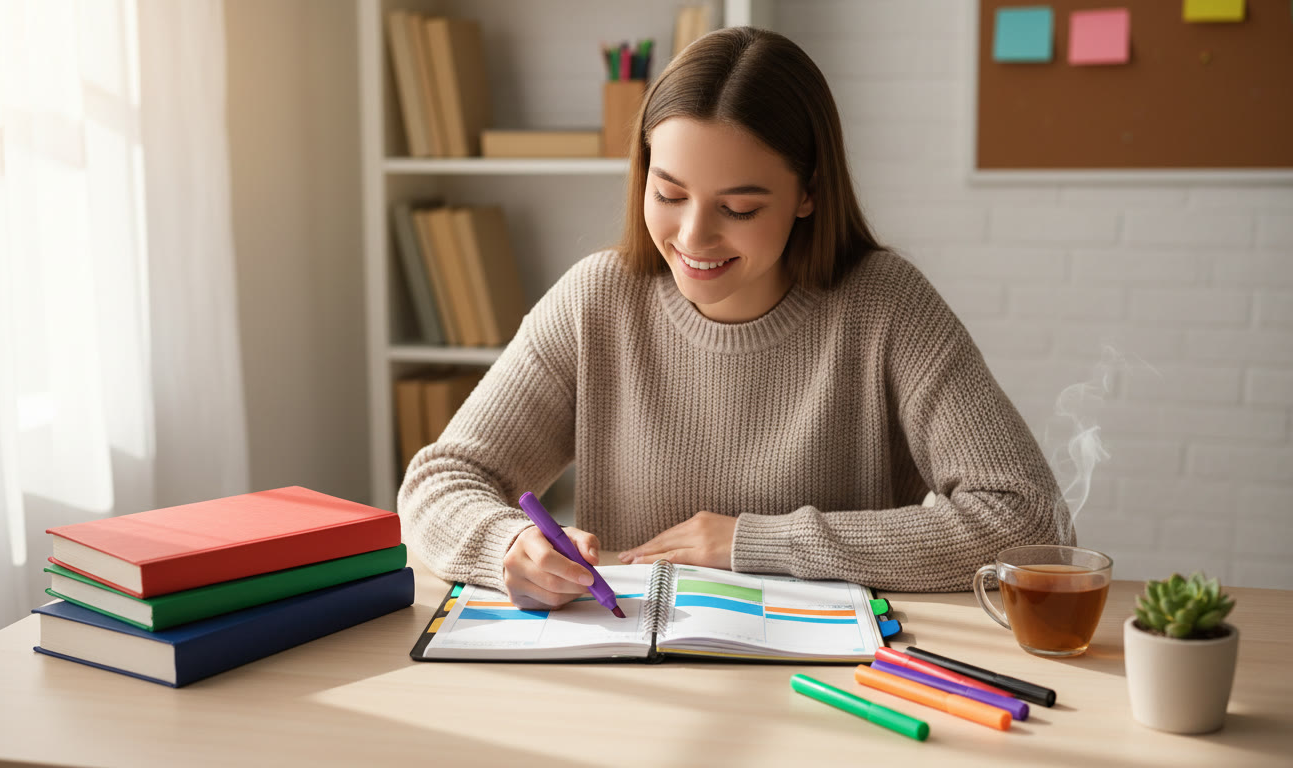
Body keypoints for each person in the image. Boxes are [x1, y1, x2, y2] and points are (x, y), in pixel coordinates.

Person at [398, 26, 1072, 610]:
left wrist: (757, 544)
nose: (693, 237)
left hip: (831, 683)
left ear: (808, 192)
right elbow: (438, 483)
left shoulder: (885, 305)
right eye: (668, 194)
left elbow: (1028, 522)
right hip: (629, 670)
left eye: (739, 209)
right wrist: (508, 544)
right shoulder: (597, 302)